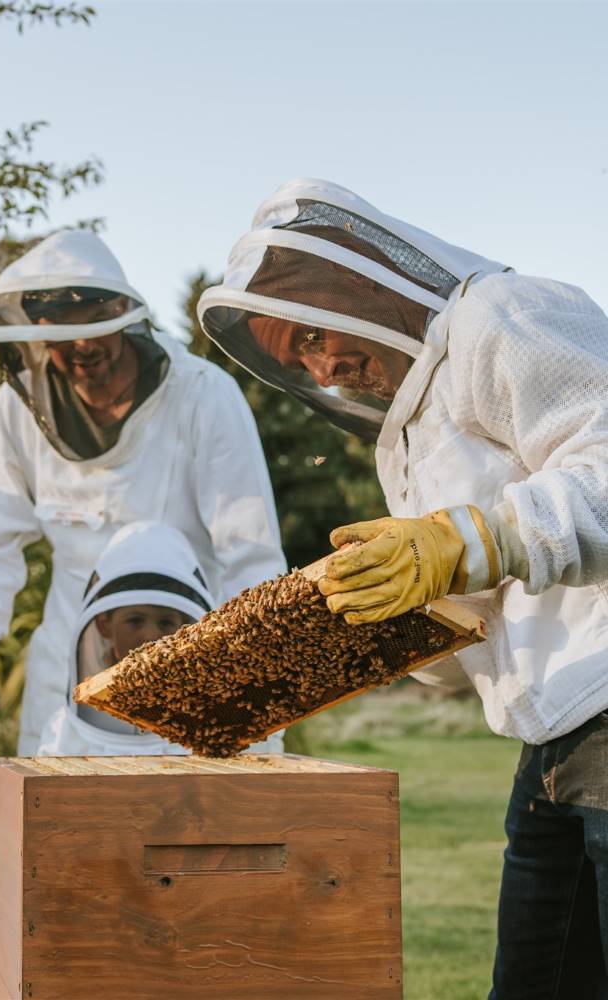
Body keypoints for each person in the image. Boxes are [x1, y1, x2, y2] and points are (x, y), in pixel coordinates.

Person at [198, 178, 608, 998]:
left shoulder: (500, 317)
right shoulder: (406, 446)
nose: (327, 365)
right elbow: (477, 620)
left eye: (314, 334)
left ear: (360, 285)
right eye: (302, 360)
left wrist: (470, 541)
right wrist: (392, 633)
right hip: (555, 739)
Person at [0, 229, 287, 756]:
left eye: (95, 329)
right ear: (34, 334)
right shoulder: (14, 412)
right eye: (62, 337)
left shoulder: (202, 395)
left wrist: (258, 687)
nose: (81, 349)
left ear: (125, 313)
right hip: (63, 675)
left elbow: (249, 553)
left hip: (188, 666)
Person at [37, 521, 215, 756]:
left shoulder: (206, 716)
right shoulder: (64, 731)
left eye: (165, 622)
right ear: (103, 624)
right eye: (135, 620)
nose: (150, 636)